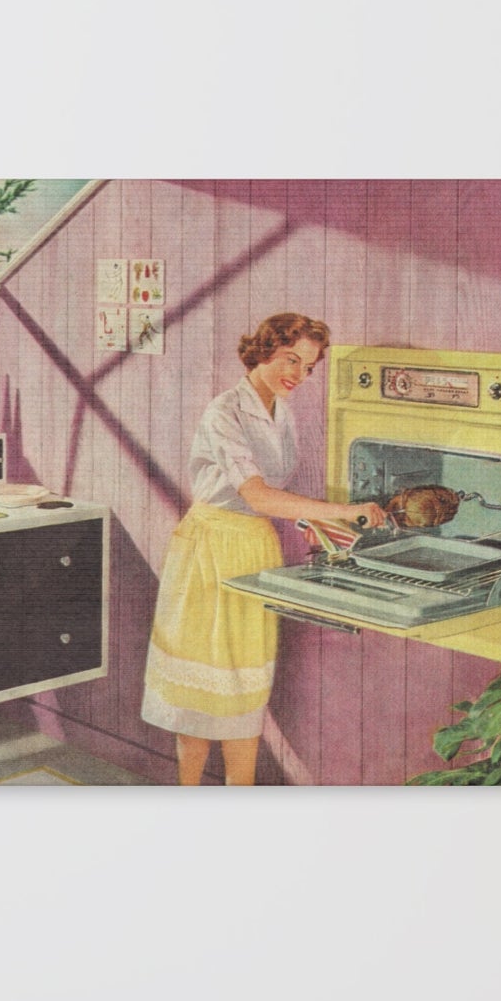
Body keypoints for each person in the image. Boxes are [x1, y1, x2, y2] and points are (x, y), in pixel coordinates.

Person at [140, 312, 388, 785]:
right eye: (290, 359)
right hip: (210, 549)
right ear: (263, 351)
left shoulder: (282, 412)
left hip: (255, 545)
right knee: (202, 693)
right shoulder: (224, 411)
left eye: (309, 366)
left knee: (243, 692)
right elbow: (255, 494)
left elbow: (274, 498)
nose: (298, 373)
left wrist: (324, 522)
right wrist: (342, 511)